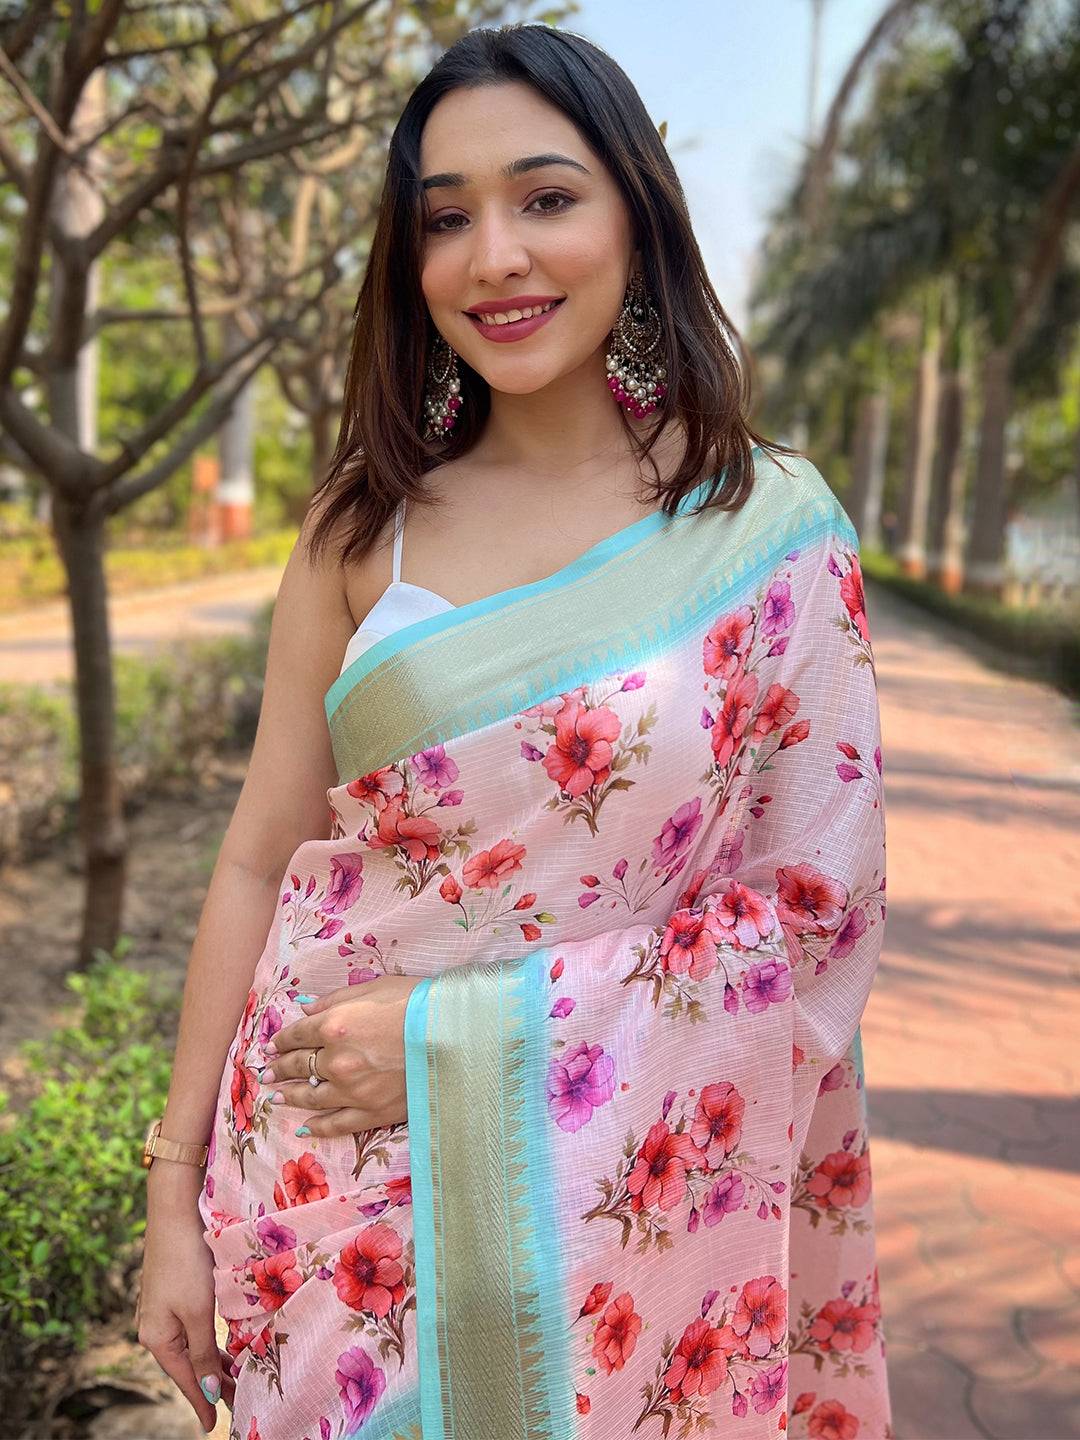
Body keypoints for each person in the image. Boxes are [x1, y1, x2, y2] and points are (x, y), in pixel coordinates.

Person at [136, 22, 894, 1440]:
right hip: (331, 1197)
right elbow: (256, 861)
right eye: (446, 217)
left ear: (634, 219)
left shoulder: (768, 535)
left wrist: (454, 1044)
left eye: (545, 198)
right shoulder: (362, 528)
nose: (495, 257)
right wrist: (171, 1190)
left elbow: (811, 916)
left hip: (618, 1232)